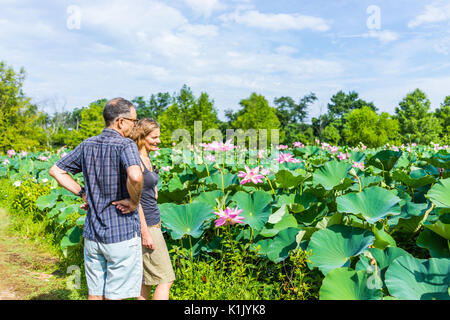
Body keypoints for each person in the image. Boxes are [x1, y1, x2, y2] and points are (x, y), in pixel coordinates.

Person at [49, 97, 144, 300]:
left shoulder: (87, 144)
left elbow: (56, 171)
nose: (135, 126)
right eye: (133, 121)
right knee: (115, 295)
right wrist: (134, 202)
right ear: (120, 121)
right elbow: (136, 176)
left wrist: (83, 192)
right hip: (121, 232)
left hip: (93, 233)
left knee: (95, 294)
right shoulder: (126, 144)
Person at [127, 118, 175, 300]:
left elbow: (148, 187)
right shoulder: (135, 162)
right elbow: (135, 200)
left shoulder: (147, 158)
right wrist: (144, 230)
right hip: (145, 224)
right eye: (154, 137)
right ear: (142, 137)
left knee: (144, 280)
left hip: (153, 221)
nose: (159, 141)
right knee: (165, 278)